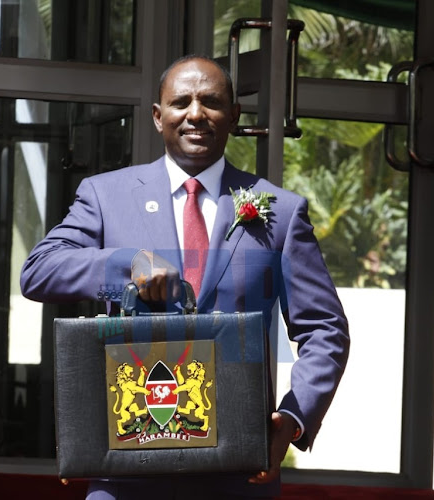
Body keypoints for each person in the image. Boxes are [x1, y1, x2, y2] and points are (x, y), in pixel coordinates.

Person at [20, 54, 350, 499]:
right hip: (127, 467)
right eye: (181, 102)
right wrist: (127, 265)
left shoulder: (281, 211)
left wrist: (292, 419)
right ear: (158, 117)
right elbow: (39, 271)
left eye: (211, 102)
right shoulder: (106, 196)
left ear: (233, 116)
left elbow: (324, 329)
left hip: (235, 474)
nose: (196, 113)